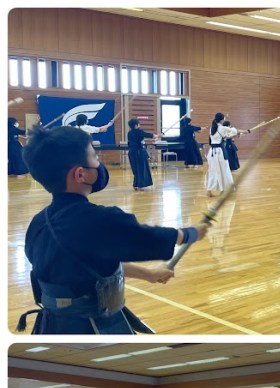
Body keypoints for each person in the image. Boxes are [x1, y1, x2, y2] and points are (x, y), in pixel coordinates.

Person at [18, 126, 207, 334]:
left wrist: (149, 274)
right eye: (94, 157)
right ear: (80, 174)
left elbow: (91, 263)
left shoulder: (38, 224)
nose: (98, 163)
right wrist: (190, 234)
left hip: (50, 327)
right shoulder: (99, 220)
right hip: (91, 331)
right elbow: (147, 239)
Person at [206, 113, 240, 196]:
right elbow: (234, 130)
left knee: (213, 171)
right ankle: (223, 190)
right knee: (224, 170)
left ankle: (211, 191)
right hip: (219, 152)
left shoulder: (212, 128)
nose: (224, 120)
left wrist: (235, 134)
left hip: (212, 152)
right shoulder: (221, 128)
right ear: (221, 120)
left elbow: (225, 136)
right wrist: (247, 131)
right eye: (224, 118)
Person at [126, 118, 156, 190]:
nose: (139, 125)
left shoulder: (129, 133)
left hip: (132, 153)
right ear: (136, 125)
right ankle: (141, 185)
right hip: (139, 153)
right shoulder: (139, 132)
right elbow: (147, 135)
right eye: (138, 124)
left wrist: (154, 137)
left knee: (135, 169)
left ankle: (136, 185)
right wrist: (156, 136)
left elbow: (139, 139)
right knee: (142, 169)